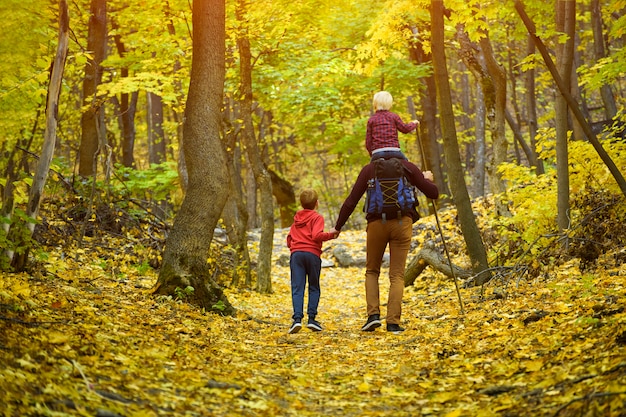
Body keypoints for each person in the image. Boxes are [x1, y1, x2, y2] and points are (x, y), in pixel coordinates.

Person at [330, 160, 438, 334]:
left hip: (376, 224)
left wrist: (338, 226)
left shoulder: (369, 169)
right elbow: (433, 193)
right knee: (397, 275)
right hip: (402, 223)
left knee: (372, 271)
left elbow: (352, 200)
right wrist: (427, 180)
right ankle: (393, 323)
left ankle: (373, 316)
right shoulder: (408, 167)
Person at [286, 189, 337, 334]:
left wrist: (294, 248)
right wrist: (331, 235)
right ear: (317, 203)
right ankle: (312, 319)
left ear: (301, 204)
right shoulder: (317, 217)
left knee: (297, 287)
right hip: (312, 254)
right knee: (313, 286)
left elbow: (289, 239)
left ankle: (297, 320)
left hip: (296, 255)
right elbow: (316, 235)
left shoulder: (296, 218)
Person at [366, 91, 419, 161]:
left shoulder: (371, 120)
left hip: (378, 152)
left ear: (375, 104)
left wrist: (372, 154)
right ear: (389, 104)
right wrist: (414, 124)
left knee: (370, 170)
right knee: (408, 166)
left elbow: (368, 142)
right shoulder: (393, 117)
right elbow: (405, 129)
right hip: (394, 151)